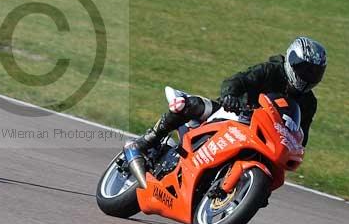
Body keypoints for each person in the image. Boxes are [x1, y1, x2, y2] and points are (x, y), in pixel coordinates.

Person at [126, 37, 327, 155]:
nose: (308, 76)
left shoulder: (309, 102)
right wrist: (231, 96)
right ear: (291, 61)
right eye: (305, 69)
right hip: (236, 114)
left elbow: (301, 135)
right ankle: (149, 139)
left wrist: (295, 148)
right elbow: (237, 80)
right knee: (190, 104)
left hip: (263, 137)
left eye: (314, 72)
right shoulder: (270, 70)